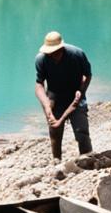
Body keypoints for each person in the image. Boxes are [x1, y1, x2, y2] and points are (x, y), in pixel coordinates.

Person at [34, 31, 93, 161]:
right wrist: (46, 105)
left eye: (55, 52)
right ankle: (57, 161)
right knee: (55, 132)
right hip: (54, 98)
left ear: (61, 47)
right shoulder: (41, 59)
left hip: (76, 96)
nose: (52, 55)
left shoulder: (77, 54)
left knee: (81, 131)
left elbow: (87, 75)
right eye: (49, 53)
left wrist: (81, 91)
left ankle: (87, 159)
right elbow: (39, 85)